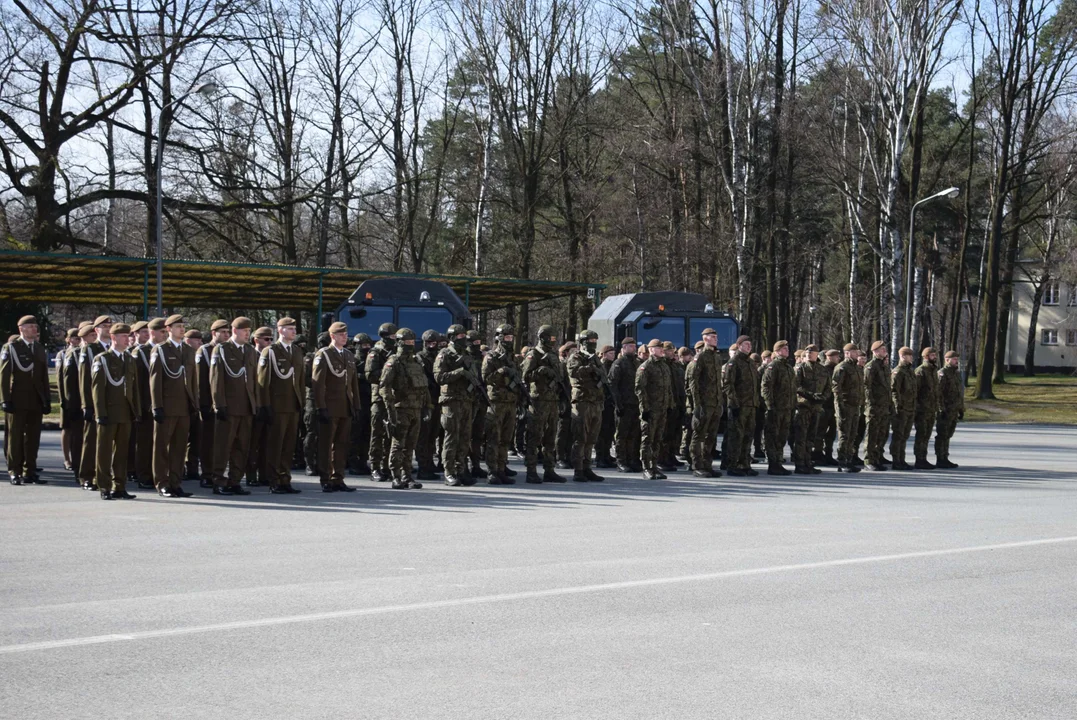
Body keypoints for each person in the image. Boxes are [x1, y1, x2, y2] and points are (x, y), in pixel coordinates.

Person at [208, 316, 257, 496]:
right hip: (228, 406)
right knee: (223, 446)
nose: (247, 334)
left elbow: (253, 379)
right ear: (235, 331)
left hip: (246, 406)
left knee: (241, 447)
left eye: (249, 331)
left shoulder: (250, 351)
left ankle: (235, 481)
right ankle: (219, 481)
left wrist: (255, 404)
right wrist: (219, 404)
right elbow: (216, 379)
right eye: (245, 331)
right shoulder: (222, 349)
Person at [91, 323, 140, 499]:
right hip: (108, 412)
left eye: (128, 336)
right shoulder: (102, 359)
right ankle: (104, 486)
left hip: (125, 412)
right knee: (104, 451)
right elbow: (97, 389)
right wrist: (100, 413)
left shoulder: (129, 359)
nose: (128, 339)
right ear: (113, 338)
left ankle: (119, 486)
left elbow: (134, 389)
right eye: (123, 336)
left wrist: (136, 410)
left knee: (122, 452)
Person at [150, 316, 197, 498]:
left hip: (184, 406)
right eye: (178, 326)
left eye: (183, 326)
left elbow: (192, 379)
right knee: (162, 447)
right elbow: (155, 379)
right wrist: (157, 406)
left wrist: (194, 403)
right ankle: (162, 483)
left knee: (179, 448)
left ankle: (176, 483)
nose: (182, 329)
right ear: (168, 329)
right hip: (167, 406)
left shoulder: (188, 350)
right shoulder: (160, 350)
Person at [256, 318, 305, 493]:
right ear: (281, 330)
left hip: (293, 405)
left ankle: (285, 479)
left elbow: (300, 381)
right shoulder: (270, 351)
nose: (294, 332)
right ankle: (274, 480)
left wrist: (302, 402)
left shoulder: (297, 351)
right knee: (275, 445)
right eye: (290, 329)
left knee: (288, 445)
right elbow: (262, 382)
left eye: (294, 329)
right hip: (276, 406)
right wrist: (264, 405)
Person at [1, 315, 51, 485]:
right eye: (30, 326)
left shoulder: (38, 348)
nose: (34, 329)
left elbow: (43, 376)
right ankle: (14, 471)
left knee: (33, 437)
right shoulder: (11, 348)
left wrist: (46, 400)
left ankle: (29, 470)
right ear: (21, 328)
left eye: (35, 326)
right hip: (17, 398)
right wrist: (5, 399)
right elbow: (4, 376)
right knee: (15, 437)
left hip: (35, 399)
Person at [379, 327, 429, 489]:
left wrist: (427, 406)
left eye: (412, 342)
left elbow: (424, 387)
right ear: (400, 342)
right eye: (407, 342)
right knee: (398, 444)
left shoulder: (416, 361)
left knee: (410, 445)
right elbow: (384, 387)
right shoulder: (393, 362)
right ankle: (395, 475)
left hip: (416, 408)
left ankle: (407, 475)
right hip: (400, 409)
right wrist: (390, 410)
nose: (410, 345)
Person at [313, 322, 360, 492]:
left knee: (341, 444)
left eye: (345, 334)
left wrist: (356, 405)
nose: (344, 337)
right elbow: (318, 384)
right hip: (330, 406)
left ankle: (338, 477)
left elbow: (353, 383)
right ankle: (325, 478)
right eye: (341, 334)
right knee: (326, 444)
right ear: (332, 336)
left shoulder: (348, 355)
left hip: (345, 406)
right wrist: (321, 407)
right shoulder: (324, 354)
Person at [520, 325, 568, 484]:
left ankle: (549, 469)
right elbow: (524, 377)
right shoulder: (533, 354)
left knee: (550, 436)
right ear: (543, 337)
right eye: (551, 338)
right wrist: (540, 371)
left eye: (555, 338)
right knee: (534, 436)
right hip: (538, 400)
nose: (553, 341)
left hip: (552, 400)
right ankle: (531, 471)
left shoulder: (553, 354)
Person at [434, 324, 477, 486]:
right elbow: (439, 377)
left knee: (465, 437)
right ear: (452, 337)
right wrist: (458, 372)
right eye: (460, 336)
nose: (463, 339)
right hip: (451, 400)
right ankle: (449, 472)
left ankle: (461, 469)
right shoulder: (444, 354)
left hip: (466, 400)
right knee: (451, 436)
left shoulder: (466, 354)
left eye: (464, 336)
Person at [482, 324, 521, 484]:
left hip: (510, 402)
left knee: (506, 438)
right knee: (494, 438)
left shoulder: (512, 357)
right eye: (506, 337)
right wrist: (501, 371)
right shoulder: (491, 356)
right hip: (496, 402)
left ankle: (501, 468)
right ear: (499, 338)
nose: (509, 340)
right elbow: (485, 378)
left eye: (511, 337)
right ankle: (492, 472)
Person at [566, 329, 606, 482]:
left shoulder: (595, 358)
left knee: (591, 438)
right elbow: (575, 373)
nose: (593, 344)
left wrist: (595, 368)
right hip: (582, 401)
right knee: (580, 437)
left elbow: (602, 375)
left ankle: (587, 467)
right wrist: (590, 368)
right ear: (583, 342)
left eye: (595, 341)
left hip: (596, 401)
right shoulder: (575, 357)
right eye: (590, 341)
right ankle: (578, 469)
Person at [78, 316, 112, 490]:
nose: (107, 329)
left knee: (107, 443)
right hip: (95, 402)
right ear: (96, 330)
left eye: (109, 326)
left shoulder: (116, 349)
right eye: (104, 326)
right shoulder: (90, 349)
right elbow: (84, 379)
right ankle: (86, 476)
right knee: (91, 441)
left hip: (113, 403)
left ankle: (105, 476)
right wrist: (87, 405)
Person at [686, 328, 723, 478]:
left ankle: (707, 465)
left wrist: (720, 403)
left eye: (716, 336)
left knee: (711, 436)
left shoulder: (716, 357)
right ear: (705, 339)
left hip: (715, 403)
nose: (716, 339)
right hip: (703, 403)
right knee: (698, 435)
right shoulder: (700, 357)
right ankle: (697, 466)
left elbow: (717, 383)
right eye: (713, 337)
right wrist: (697, 405)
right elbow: (693, 382)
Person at [365, 323, 398, 482]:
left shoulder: (396, 352)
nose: (394, 339)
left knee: (390, 434)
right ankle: (375, 467)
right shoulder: (376, 352)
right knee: (377, 433)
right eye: (392, 337)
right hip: (379, 397)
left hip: (393, 398)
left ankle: (387, 466)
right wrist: (388, 373)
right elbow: (370, 375)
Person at [723, 335, 760, 477]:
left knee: (748, 436)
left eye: (750, 344)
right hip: (739, 405)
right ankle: (732, 465)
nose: (749, 346)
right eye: (746, 344)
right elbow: (728, 384)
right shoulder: (734, 362)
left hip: (751, 405)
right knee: (736, 436)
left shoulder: (750, 363)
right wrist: (733, 403)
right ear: (739, 346)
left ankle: (745, 464)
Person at [761, 340, 796, 476]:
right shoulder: (773, 366)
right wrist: (770, 405)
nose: (787, 350)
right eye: (783, 348)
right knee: (773, 436)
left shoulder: (787, 367)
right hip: (776, 408)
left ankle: (778, 462)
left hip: (787, 408)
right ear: (776, 352)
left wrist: (793, 405)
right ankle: (773, 464)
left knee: (782, 436)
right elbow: (766, 386)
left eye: (787, 348)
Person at [127, 321, 155, 489]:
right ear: (135, 334)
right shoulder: (137, 353)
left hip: (156, 404)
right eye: (143, 332)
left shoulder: (157, 350)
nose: (146, 334)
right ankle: (139, 472)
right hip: (144, 404)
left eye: (147, 331)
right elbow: (136, 383)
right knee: (141, 442)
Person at [246, 327, 275, 486]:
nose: (269, 342)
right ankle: (251, 475)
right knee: (253, 443)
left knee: (266, 442)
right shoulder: (250, 355)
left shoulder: (272, 355)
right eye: (266, 339)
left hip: (269, 404)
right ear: (256, 340)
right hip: (255, 405)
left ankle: (264, 474)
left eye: (271, 339)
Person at [609, 337, 641, 473]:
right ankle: (621, 461)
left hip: (635, 403)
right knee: (622, 435)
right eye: (630, 346)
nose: (633, 348)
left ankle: (632, 459)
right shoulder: (619, 363)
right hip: (624, 404)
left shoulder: (637, 363)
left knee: (633, 434)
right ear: (624, 348)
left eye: (634, 346)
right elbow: (612, 385)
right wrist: (618, 404)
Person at [831, 343, 864, 473]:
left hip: (855, 406)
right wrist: (840, 406)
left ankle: (849, 460)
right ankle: (842, 461)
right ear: (847, 353)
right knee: (844, 435)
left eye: (857, 352)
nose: (857, 354)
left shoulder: (856, 368)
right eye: (854, 352)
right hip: (845, 405)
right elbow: (836, 388)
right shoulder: (842, 367)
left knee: (852, 434)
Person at [792, 344, 825, 475]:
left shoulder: (822, 370)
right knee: (801, 436)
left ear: (817, 354)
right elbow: (797, 386)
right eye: (807, 353)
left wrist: (823, 397)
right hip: (804, 406)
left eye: (812, 353)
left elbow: (828, 386)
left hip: (816, 407)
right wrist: (810, 396)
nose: (809, 354)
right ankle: (800, 464)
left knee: (811, 436)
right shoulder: (801, 369)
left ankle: (808, 461)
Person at [303, 332, 331, 477]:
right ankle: (309, 463)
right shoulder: (310, 358)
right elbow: (306, 379)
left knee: (326, 434)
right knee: (312, 432)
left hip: (330, 399)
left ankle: (323, 464)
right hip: (313, 400)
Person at [415, 330, 442, 480]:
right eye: (429, 343)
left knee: (433, 434)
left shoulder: (438, 357)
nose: (432, 346)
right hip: (426, 401)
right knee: (423, 435)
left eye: (434, 343)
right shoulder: (420, 358)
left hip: (437, 399)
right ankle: (422, 466)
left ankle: (429, 462)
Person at [59, 326, 86, 479]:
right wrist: (65, 401)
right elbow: (64, 380)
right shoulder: (65, 355)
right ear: (68, 339)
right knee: (69, 429)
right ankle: (68, 459)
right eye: (74, 338)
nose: (76, 340)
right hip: (71, 400)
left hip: (81, 401)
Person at [863, 340, 892, 471]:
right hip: (874, 406)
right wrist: (871, 404)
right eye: (881, 349)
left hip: (884, 405)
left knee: (882, 433)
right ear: (875, 352)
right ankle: (869, 459)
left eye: (884, 348)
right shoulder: (871, 366)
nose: (884, 351)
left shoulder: (884, 366)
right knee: (872, 434)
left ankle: (878, 456)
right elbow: (867, 387)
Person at [183, 329, 208, 485]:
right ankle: (181, 469)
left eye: (200, 340)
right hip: (186, 402)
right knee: (182, 439)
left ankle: (192, 469)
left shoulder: (198, 356)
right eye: (196, 340)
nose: (200, 342)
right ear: (188, 341)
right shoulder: (185, 355)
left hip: (198, 403)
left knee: (196, 439)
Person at [348, 333, 374, 476]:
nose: (366, 348)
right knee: (355, 434)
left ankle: (363, 462)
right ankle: (353, 462)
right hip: (357, 402)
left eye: (368, 345)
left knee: (366, 434)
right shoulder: (352, 360)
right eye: (363, 345)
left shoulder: (371, 359)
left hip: (369, 400)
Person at [935, 350, 965, 469]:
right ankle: (940, 458)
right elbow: (939, 393)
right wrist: (941, 409)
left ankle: (945, 457)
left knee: (948, 434)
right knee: (942, 434)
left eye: (957, 359)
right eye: (954, 359)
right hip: (945, 410)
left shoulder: (956, 373)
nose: (956, 361)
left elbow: (959, 393)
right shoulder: (942, 373)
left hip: (953, 409)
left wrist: (961, 409)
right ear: (947, 360)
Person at [889, 347, 917, 471]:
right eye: (909, 356)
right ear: (903, 356)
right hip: (901, 408)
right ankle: (896, 460)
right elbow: (894, 391)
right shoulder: (898, 372)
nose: (912, 358)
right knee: (898, 435)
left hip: (910, 407)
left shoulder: (910, 371)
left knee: (905, 435)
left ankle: (902, 459)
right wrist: (897, 406)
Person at [913, 347, 940, 470]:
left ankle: (924, 458)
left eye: (935, 355)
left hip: (931, 408)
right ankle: (919, 459)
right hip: (922, 410)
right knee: (921, 435)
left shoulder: (933, 370)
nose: (934, 357)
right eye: (932, 355)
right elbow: (915, 391)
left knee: (927, 435)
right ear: (925, 357)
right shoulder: (921, 371)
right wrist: (918, 407)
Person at [661, 340, 687, 471]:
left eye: (672, 350)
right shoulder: (662, 365)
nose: (671, 353)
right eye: (668, 351)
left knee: (674, 432)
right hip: (666, 404)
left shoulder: (675, 366)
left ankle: (671, 455)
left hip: (677, 401)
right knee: (665, 433)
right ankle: (662, 458)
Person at [813, 349, 841, 466]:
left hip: (833, 405)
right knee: (820, 431)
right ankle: (818, 454)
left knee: (831, 433)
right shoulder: (823, 370)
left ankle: (828, 454)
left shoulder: (837, 369)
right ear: (829, 357)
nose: (838, 358)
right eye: (836, 356)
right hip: (824, 404)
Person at [594, 344, 617, 469]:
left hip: (610, 402)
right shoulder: (601, 366)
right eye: (610, 354)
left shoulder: (612, 366)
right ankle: (600, 456)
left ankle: (606, 454)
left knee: (609, 430)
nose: (612, 356)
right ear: (603, 354)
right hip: (602, 402)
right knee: (601, 431)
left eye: (613, 353)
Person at [555, 341, 576, 469]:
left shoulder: (574, 364)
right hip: (563, 400)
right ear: (566, 352)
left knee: (570, 431)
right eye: (573, 351)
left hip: (572, 400)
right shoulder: (561, 365)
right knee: (562, 431)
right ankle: (559, 457)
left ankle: (568, 455)